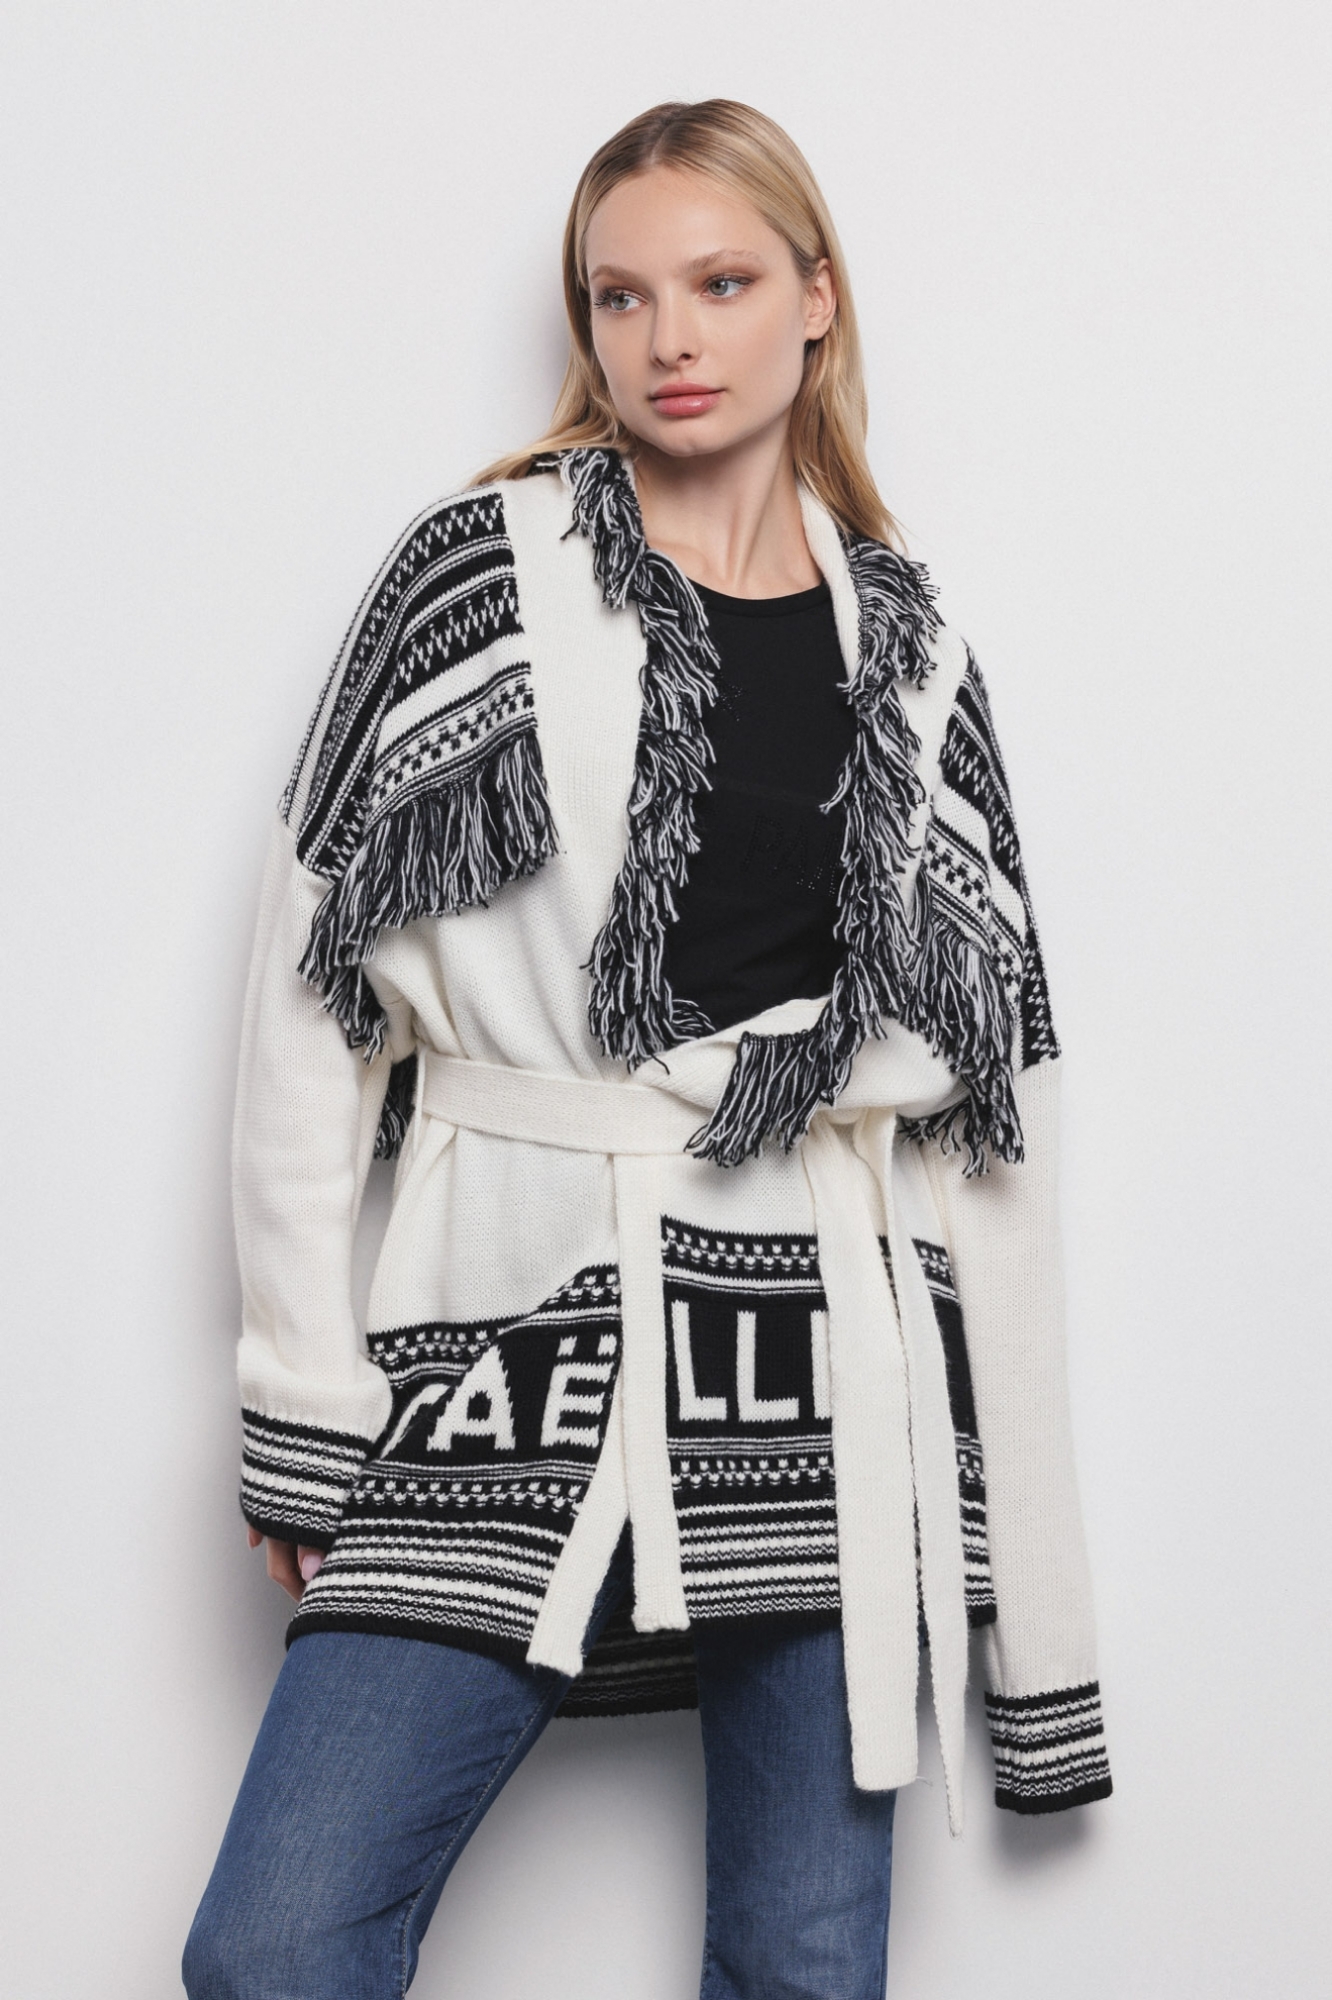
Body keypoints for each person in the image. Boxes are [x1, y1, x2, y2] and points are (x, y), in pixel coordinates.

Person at [183, 98, 1111, 2000]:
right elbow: (306, 996)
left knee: (799, 1967)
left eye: (722, 283)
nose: (669, 339)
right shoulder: (476, 578)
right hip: (516, 1333)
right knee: (275, 1944)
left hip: (832, 1367)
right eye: (621, 297)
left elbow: (994, 1123)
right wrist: (306, 1397)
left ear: (818, 301)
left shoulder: (913, 649)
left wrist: (1034, 1597)